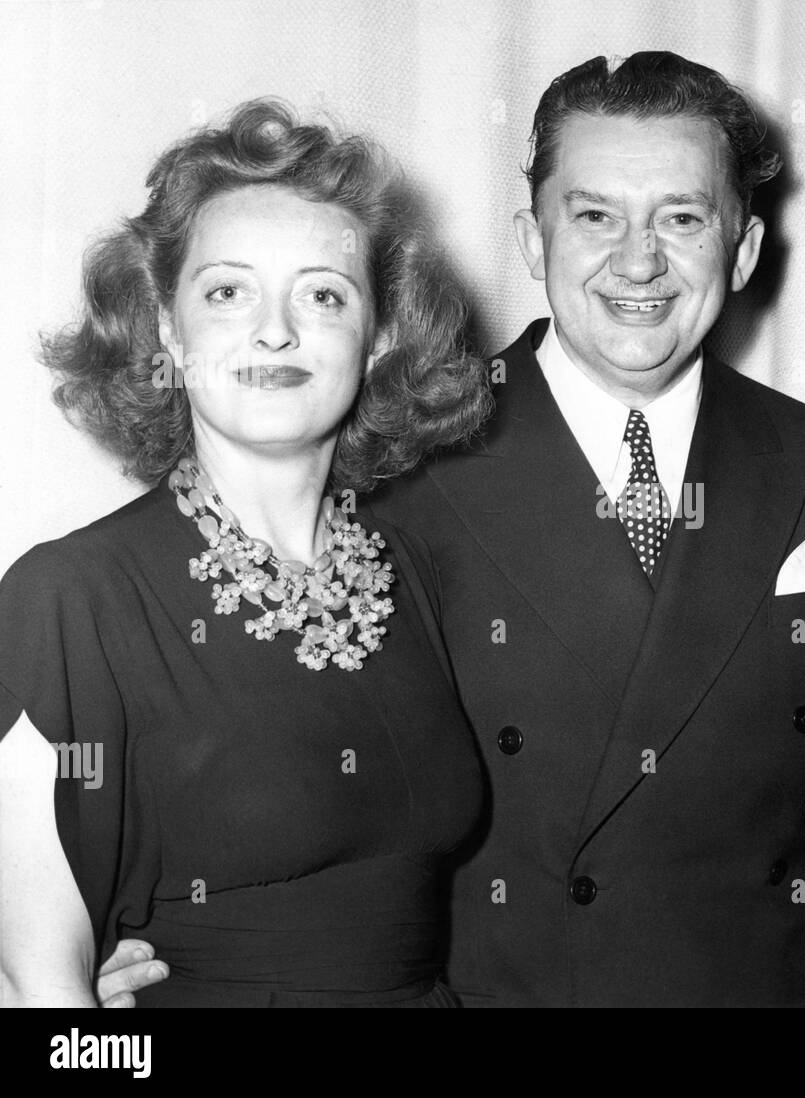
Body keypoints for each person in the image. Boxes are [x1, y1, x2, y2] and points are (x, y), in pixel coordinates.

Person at [364, 51, 805, 1007]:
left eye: (682, 219)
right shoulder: (406, 462)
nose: (639, 262)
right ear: (531, 238)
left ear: (745, 250)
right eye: (595, 216)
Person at [0, 100, 492, 1007]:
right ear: (167, 328)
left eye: (323, 293)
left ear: (380, 337)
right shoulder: (72, 598)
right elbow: (45, 998)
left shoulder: (409, 572)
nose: (276, 331)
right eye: (228, 291)